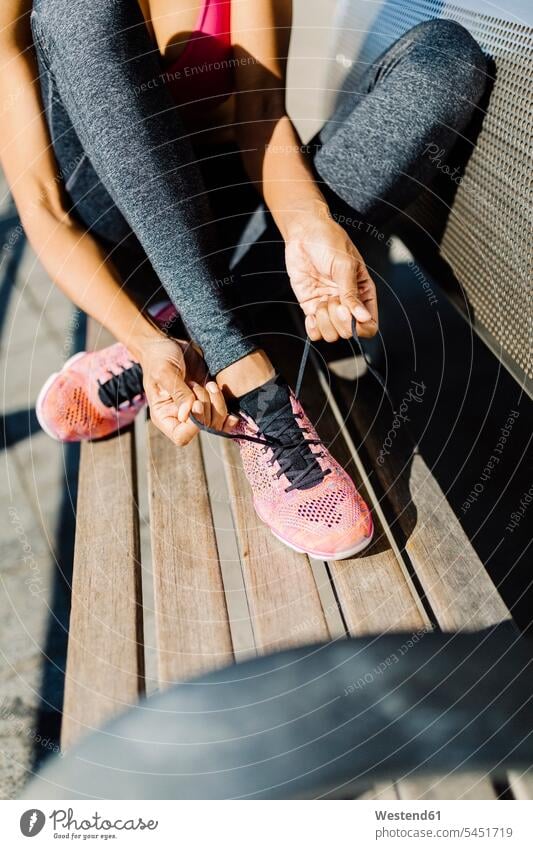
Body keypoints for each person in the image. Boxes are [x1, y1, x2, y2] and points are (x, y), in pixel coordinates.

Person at [0, 0, 487, 559]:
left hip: (230, 220)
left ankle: (194, 331)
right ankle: (255, 390)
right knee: (78, 8)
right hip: (122, 232)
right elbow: (43, 207)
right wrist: (142, 340)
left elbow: (259, 113)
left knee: (444, 64)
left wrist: (307, 224)